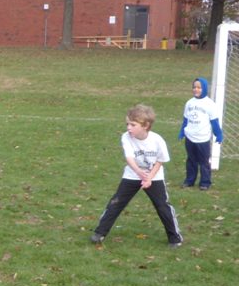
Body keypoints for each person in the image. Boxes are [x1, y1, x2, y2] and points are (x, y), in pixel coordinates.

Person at [91, 104, 183, 248]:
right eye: (127, 124)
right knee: (116, 202)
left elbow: (161, 160)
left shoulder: (157, 140)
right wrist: (139, 173)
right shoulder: (126, 137)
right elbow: (129, 158)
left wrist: (149, 177)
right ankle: (99, 233)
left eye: (133, 125)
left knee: (162, 206)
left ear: (145, 125)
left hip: (154, 176)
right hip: (132, 174)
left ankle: (175, 238)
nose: (128, 127)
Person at [178, 76, 223, 190]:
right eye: (194, 87)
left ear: (204, 89)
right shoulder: (189, 103)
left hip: (202, 138)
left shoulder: (209, 104)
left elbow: (214, 122)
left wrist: (218, 134)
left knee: (204, 162)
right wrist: (182, 132)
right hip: (190, 137)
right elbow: (185, 120)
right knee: (191, 160)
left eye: (199, 87)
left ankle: (205, 182)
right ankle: (189, 180)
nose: (196, 89)